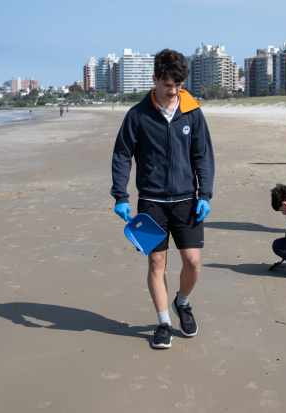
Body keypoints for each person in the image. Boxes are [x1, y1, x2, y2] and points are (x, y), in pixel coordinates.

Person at [111, 49, 215, 349]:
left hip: (186, 200)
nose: (173, 91)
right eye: (168, 84)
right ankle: (164, 323)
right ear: (154, 79)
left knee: (193, 262)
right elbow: (122, 156)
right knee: (157, 262)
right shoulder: (137, 115)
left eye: (178, 84)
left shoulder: (192, 112)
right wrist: (121, 194)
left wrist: (204, 194)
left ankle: (182, 303)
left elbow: (203, 156)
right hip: (151, 202)